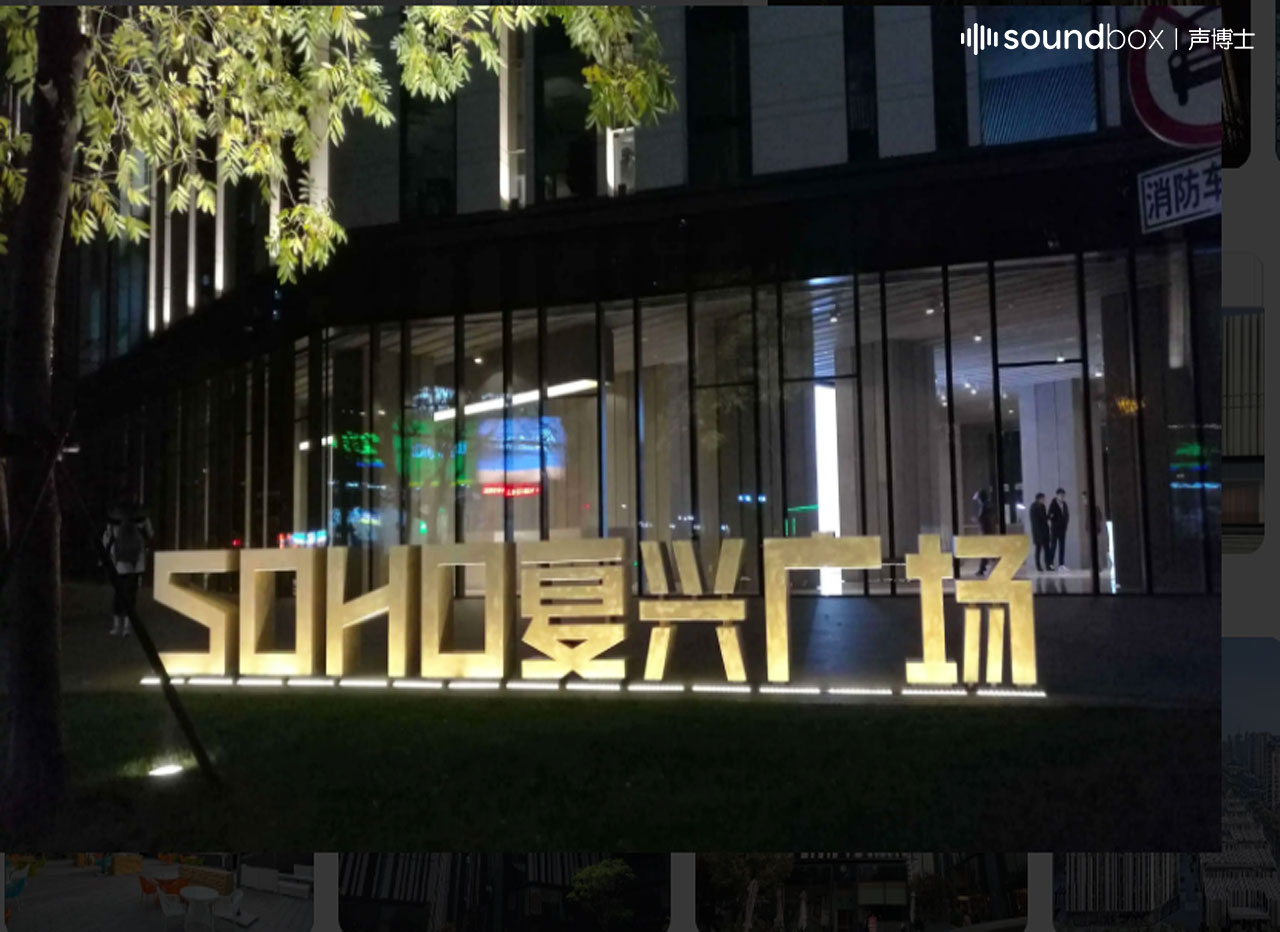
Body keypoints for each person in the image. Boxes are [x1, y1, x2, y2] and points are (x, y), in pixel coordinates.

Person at [102, 487, 154, 636]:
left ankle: (116, 625)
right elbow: (150, 534)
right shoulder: (141, 516)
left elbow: (107, 537)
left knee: (118, 592)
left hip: (118, 560)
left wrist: (103, 556)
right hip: (137, 560)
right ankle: (127, 626)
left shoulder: (114, 516)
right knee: (131, 593)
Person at [974, 488, 998, 575]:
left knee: (986, 551)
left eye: (978, 499)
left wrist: (976, 520)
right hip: (990, 531)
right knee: (987, 551)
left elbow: (982, 519)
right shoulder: (989, 505)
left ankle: (983, 568)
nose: (978, 501)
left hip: (986, 532)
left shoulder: (984, 506)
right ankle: (983, 568)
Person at [1082, 490, 1106, 569]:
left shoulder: (1094, 507)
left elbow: (1099, 517)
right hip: (1091, 530)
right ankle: (1096, 565)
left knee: (1095, 548)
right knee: (1093, 548)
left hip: (1094, 530)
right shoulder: (1088, 508)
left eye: (1084, 499)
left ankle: (1098, 566)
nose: (1083, 501)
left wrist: (1093, 525)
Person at [1048, 487, 1070, 571]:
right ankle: (1050, 563)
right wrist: (1052, 516)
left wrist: (1066, 523)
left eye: (1063, 495)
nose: (1062, 497)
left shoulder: (1065, 504)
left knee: (1062, 546)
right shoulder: (1053, 504)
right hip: (1055, 529)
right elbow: (1049, 515)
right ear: (1057, 495)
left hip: (1062, 529)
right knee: (1053, 546)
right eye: (1060, 495)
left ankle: (1061, 564)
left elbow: (1067, 515)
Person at [1029, 492, 1052, 571]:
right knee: (1043, 549)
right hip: (1041, 532)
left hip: (1039, 532)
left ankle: (1042, 566)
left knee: (1041, 549)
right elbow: (1043, 518)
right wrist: (1050, 516)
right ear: (1039, 499)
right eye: (1043, 499)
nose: (1044, 500)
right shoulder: (1038, 507)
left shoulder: (1035, 506)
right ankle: (1046, 566)